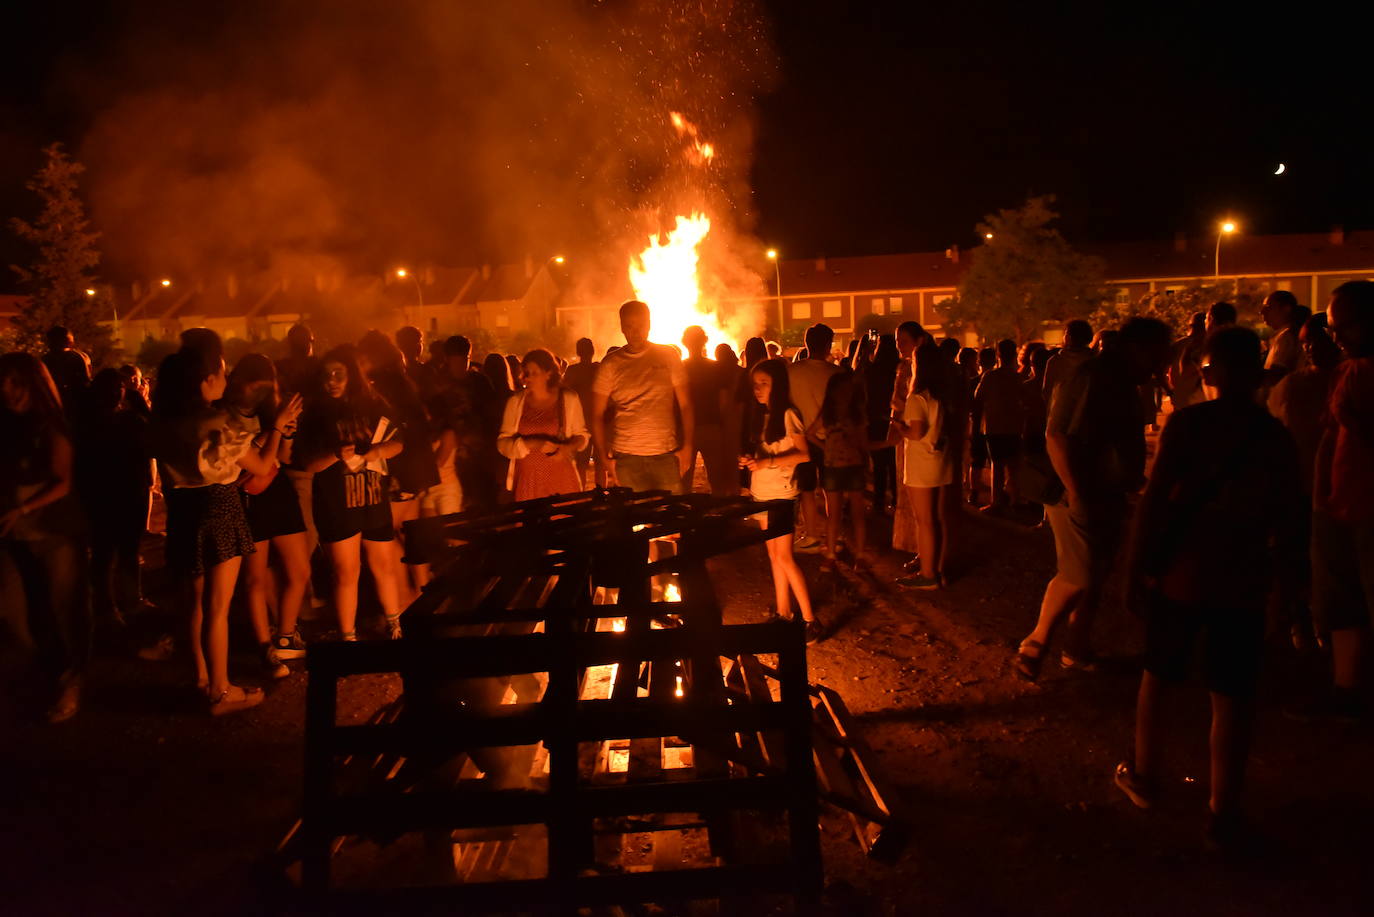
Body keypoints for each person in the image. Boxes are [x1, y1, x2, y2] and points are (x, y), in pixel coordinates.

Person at [1116, 326, 1302, 850]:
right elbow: (1290, 520)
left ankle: (1145, 775)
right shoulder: (1274, 437)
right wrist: (1287, 589)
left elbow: (1154, 501)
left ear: (1211, 373)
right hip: (1242, 580)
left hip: (1183, 575)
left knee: (1158, 677)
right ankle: (1223, 809)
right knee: (1233, 697)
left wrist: (1134, 567)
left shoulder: (1189, 425)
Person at [1015, 317, 1173, 679]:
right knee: (1080, 572)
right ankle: (1035, 644)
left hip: (1102, 491)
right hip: (1076, 492)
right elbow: (1056, 437)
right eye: (1157, 357)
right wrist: (1077, 492)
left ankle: (1076, 647)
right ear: (1137, 349)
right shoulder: (1093, 378)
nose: (1160, 366)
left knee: (1096, 572)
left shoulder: (1118, 381)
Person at [151, 329, 287, 715]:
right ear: (205, 381)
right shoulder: (216, 423)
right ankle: (221, 692)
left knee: (193, 603)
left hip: (183, 509)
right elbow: (260, 467)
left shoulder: (163, 422)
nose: (226, 382)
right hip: (220, 506)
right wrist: (277, 426)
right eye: (222, 374)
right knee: (218, 608)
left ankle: (201, 677)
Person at [0, 353, 89, 722]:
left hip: (53, 532)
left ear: (35, 384)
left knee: (63, 610)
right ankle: (44, 672)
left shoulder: (52, 426)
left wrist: (22, 507)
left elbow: (63, 481)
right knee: (11, 613)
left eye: (17, 383)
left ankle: (69, 681)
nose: (8, 391)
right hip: (10, 534)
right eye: (4, 383)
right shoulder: (4, 427)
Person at [1301, 280, 1374, 720]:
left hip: (1368, 507)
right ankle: (1346, 689)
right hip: (1336, 505)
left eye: (1344, 326)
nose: (1336, 337)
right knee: (1341, 601)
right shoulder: (1350, 369)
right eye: (1332, 328)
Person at [296, 346, 405, 642]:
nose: (331, 380)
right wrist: (334, 455)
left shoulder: (371, 404)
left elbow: (398, 443)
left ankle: (395, 626)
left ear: (351, 375)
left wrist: (377, 451)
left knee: (383, 566)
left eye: (338, 374)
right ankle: (348, 637)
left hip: (372, 497)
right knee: (346, 572)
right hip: (336, 504)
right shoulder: (316, 412)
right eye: (326, 375)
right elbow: (307, 463)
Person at [223, 355, 310, 678]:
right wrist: (273, 428)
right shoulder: (228, 415)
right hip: (246, 497)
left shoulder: (271, 409)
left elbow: (281, 457)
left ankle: (286, 634)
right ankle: (265, 647)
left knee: (299, 570)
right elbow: (244, 463)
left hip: (278, 491)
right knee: (255, 578)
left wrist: (286, 430)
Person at [741, 358, 821, 643]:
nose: (758, 389)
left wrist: (769, 462)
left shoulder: (788, 415)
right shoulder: (764, 416)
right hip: (763, 493)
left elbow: (804, 454)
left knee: (785, 557)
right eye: (755, 384)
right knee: (774, 556)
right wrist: (753, 462)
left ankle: (811, 620)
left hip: (782, 496)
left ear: (778, 385)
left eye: (764, 383)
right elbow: (768, 455)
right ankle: (784, 612)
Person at [359, 330, 440, 604]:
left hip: (401, 469)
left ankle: (405, 598)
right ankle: (422, 591)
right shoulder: (403, 382)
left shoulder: (381, 386)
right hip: (418, 469)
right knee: (411, 532)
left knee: (386, 533)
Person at [75, 368, 153, 634]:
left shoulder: (87, 424)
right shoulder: (124, 421)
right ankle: (116, 606)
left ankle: (119, 604)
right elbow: (155, 439)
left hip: (111, 495)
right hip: (118, 494)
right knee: (115, 553)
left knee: (111, 553)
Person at [590, 300, 694, 494]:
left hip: (665, 455)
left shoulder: (668, 356)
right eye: (629, 326)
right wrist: (604, 457)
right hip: (626, 459)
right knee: (635, 519)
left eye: (640, 326)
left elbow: (686, 405)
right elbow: (596, 414)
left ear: (649, 325)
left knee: (672, 518)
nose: (635, 332)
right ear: (622, 327)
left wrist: (687, 447)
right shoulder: (611, 364)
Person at [895, 338, 956, 589]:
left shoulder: (918, 398)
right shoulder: (942, 395)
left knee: (925, 520)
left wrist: (898, 426)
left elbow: (916, 432)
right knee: (937, 519)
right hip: (941, 460)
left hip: (922, 464)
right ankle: (938, 568)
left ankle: (928, 574)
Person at [497, 348, 589, 501]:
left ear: (549, 373)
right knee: (533, 523)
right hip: (528, 481)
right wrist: (533, 443)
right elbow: (502, 443)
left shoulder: (568, 399)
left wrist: (567, 447)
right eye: (526, 373)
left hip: (561, 478)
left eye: (534, 373)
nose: (527, 378)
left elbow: (582, 436)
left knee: (563, 522)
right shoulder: (516, 402)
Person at [787, 324, 842, 550]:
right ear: (829, 344)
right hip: (832, 440)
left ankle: (811, 535)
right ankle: (833, 538)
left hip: (801, 441)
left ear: (806, 343)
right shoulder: (837, 373)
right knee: (833, 492)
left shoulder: (791, 372)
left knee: (807, 489)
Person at [808, 371, 868, 565]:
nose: (844, 393)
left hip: (853, 467)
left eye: (847, 389)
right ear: (833, 391)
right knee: (834, 514)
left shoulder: (856, 412)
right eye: (841, 389)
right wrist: (826, 448)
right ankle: (832, 554)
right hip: (835, 467)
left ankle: (859, 555)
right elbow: (809, 433)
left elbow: (863, 442)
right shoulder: (829, 412)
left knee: (856, 514)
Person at [680, 325, 735, 495]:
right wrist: (723, 425)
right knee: (717, 479)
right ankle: (720, 516)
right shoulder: (716, 368)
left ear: (684, 343)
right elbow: (723, 401)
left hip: (686, 430)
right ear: (705, 341)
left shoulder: (679, 367)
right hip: (712, 427)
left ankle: (685, 515)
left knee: (684, 479)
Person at [889, 321, 927, 559]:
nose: (899, 346)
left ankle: (924, 552)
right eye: (897, 341)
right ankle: (916, 548)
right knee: (907, 492)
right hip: (905, 437)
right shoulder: (903, 367)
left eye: (903, 341)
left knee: (920, 496)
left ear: (918, 341)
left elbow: (900, 402)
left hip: (917, 436)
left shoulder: (922, 370)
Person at [973, 339, 1023, 512]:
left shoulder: (990, 377)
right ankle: (1016, 499)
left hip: (994, 426)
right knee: (1014, 465)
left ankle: (997, 502)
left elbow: (977, 399)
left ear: (998, 355)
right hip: (1014, 426)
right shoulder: (1018, 377)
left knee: (997, 465)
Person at [864, 334, 900, 514]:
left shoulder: (871, 371)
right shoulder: (898, 369)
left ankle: (879, 502)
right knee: (895, 463)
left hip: (875, 420)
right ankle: (896, 499)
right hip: (894, 420)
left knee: (879, 465)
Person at [561, 337, 599, 486]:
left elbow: (564, 392)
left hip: (582, 422)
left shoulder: (573, 371)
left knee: (582, 464)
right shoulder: (598, 369)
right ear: (593, 351)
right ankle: (600, 493)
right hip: (595, 421)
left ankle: (582, 493)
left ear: (578, 352)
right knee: (600, 463)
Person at [965, 347, 995, 505]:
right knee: (996, 462)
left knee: (976, 462)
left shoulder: (973, 382)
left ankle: (974, 493)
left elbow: (970, 405)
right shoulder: (999, 381)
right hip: (994, 425)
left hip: (977, 425)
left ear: (979, 361)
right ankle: (998, 494)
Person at [1043, 320, 1094, 409]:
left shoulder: (1056, 361)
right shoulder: (1094, 358)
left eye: (1066, 333)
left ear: (1068, 337)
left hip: (1060, 410)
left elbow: (1047, 391)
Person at [1259, 290, 1307, 384]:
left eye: (1268, 307)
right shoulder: (1282, 336)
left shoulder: (1286, 337)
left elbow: (1276, 376)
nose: (1262, 312)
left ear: (1286, 308)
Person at [41, 326, 92, 407]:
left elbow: (85, 379)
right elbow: (86, 379)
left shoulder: (44, 360)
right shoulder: (80, 357)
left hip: (69, 401)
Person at [1168, 312, 1208, 410]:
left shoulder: (1178, 345)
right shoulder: (1210, 344)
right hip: (1199, 400)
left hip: (1182, 399)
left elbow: (1161, 370)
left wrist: (1170, 391)